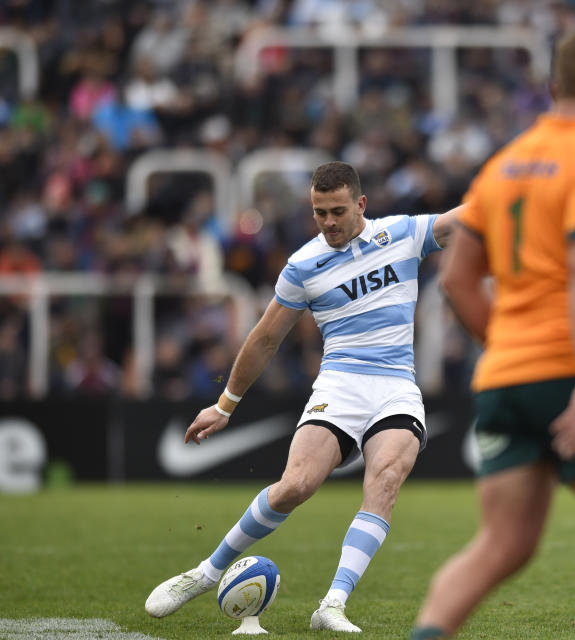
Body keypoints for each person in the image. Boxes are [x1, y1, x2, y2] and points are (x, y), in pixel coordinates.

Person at [410, 26, 575, 640]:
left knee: (502, 544)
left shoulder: (501, 167)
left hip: (503, 378)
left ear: (553, 88)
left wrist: (505, 347)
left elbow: (456, 281)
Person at [145, 161, 459, 633]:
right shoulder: (303, 266)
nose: (328, 222)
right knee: (296, 486)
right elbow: (265, 338)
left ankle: (332, 604)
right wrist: (224, 405)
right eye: (319, 213)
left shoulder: (402, 234)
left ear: (360, 204)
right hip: (339, 385)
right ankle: (204, 573)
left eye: (336, 211)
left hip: (396, 386)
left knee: (387, 476)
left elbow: (467, 218)